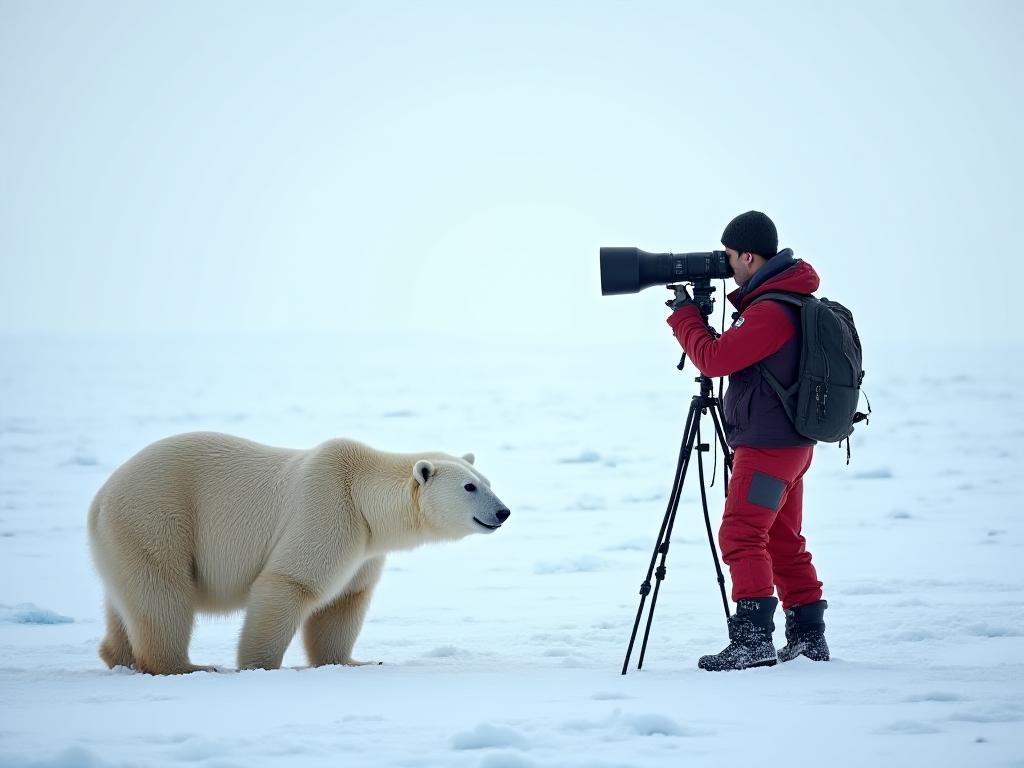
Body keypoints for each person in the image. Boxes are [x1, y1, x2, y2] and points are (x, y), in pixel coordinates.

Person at [664, 210, 829, 671]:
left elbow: (715, 360)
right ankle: (808, 636)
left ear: (751, 256)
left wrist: (684, 318)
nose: (726, 264)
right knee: (781, 537)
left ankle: (754, 640)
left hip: (769, 448)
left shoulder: (772, 310)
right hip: (789, 446)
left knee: (742, 533)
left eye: (731, 256)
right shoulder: (785, 301)